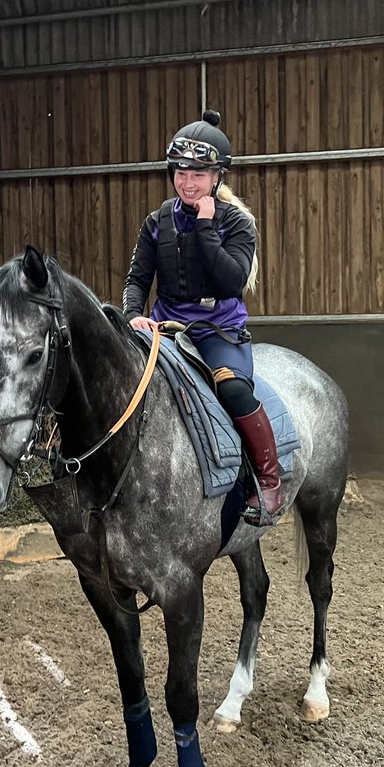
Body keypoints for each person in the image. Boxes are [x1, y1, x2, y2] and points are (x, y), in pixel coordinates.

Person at [122, 110, 285, 527]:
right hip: (164, 326)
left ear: (217, 177)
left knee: (233, 392)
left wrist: (206, 225)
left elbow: (231, 280)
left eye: (198, 174)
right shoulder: (156, 222)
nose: (187, 182)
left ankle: (268, 481)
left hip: (217, 331)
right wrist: (131, 316)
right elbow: (138, 278)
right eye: (180, 172)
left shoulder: (238, 223)